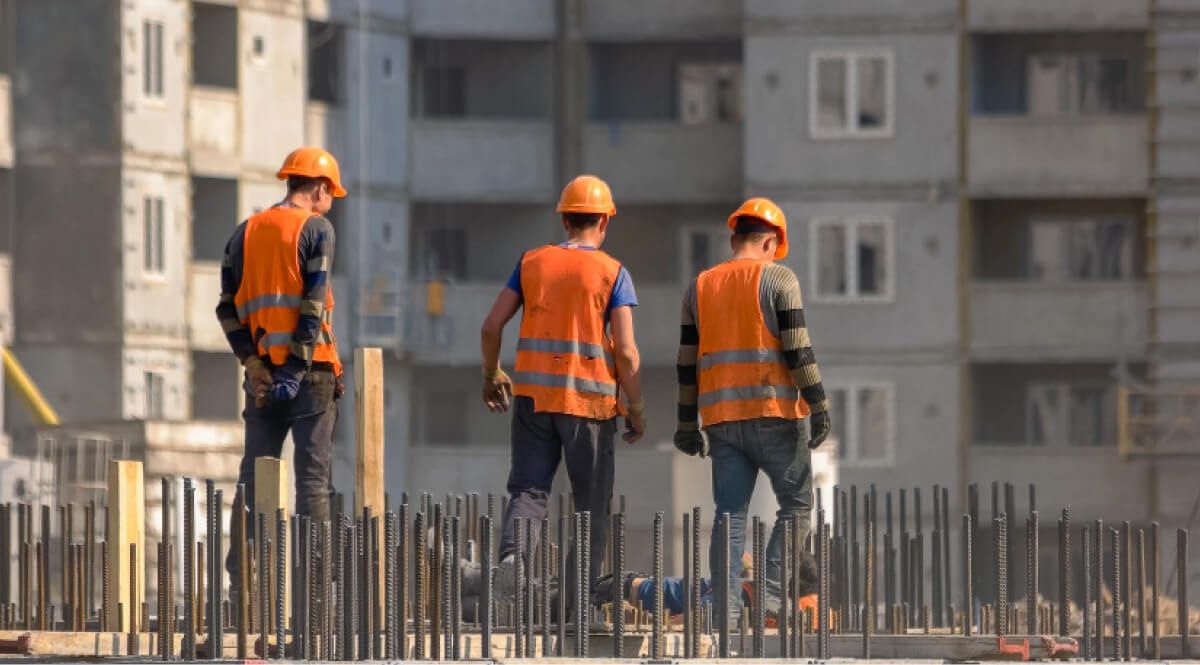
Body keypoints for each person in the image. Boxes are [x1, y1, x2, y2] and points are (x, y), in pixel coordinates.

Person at [479, 174, 645, 606]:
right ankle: (577, 598)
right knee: (591, 504)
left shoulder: (532, 262)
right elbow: (625, 352)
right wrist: (637, 405)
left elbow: (491, 325)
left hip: (533, 399)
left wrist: (492, 372)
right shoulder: (614, 273)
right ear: (604, 221)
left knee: (530, 491)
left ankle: (513, 560)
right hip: (589, 405)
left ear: (565, 220)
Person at [672, 197, 832, 622]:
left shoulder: (700, 286)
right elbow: (798, 350)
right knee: (796, 505)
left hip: (721, 421)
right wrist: (819, 406)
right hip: (776, 413)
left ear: (734, 239)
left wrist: (687, 423)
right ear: (772, 242)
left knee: (730, 515)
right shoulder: (779, 279)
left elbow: (686, 363)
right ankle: (773, 599)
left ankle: (723, 611)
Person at [216, 146, 346, 574]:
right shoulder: (317, 228)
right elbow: (311, 306)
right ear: (321, 188)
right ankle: (317, 592)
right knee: (312, 482)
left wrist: (253, 364)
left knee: (253, 480)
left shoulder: (245, 231)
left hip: (262, 381)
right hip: (309, 376)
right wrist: (294, 368)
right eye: (332, 193)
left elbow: (227, 309)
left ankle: (241, 587)